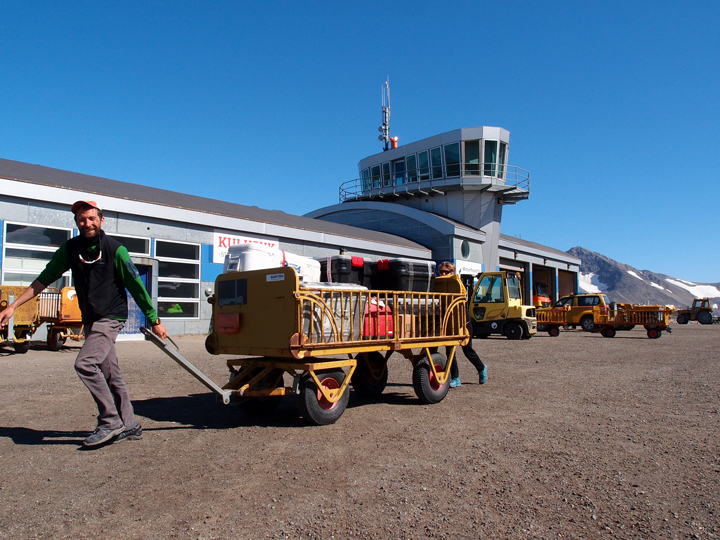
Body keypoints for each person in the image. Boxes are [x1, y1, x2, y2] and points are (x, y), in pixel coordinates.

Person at [0, 201, 168, 447]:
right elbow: (43, 279)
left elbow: (136, 286)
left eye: (91, 218)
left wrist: (154, 320)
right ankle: (129, 424)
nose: (86, 223)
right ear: (76, 222)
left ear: (101, 220)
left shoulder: (115, 249)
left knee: (85, 363)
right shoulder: (70, 249)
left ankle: (110, 421)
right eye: (81, 219)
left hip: (111, 317)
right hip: (91, 317)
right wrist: (13, 306)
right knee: (111, 374)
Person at [438, 261, 487, 388]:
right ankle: (455, 377)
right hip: (448, 321)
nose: (443, 274)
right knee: (450, 351)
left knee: (467, 350)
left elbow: (462, 297)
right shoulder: (439, 284)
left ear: (452, 272)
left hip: (463, 321)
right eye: (441, 271)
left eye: (446, 272)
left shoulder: (457, 284)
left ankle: (481, 368)